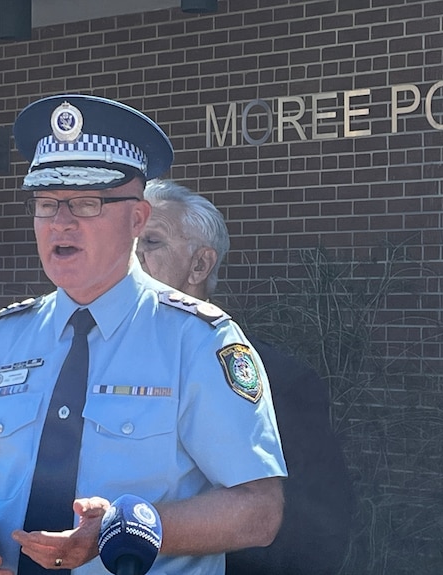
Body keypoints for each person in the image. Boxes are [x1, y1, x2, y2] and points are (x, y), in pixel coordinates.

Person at [0, 94, 287, 575]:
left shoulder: (199, 340)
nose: (61, 221)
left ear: (137, 219)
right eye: (46, 203)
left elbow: (258, 510)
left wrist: (128, 527)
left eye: (86, 202)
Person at [137, 179, 354, 575]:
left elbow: (311, 529)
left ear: (200, 264)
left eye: (151, 242)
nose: (134, 257)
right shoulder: (82, 360)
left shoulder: (276, 380)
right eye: (129, 243)